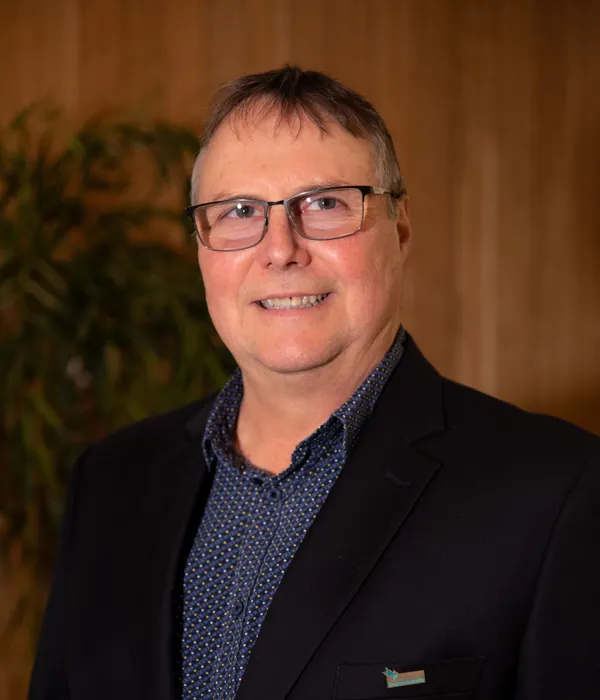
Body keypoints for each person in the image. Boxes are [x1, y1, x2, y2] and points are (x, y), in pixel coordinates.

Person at [29, 66, 600, 700]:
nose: (280, 249)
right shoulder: (111, 483)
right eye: (239, 211)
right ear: (201, 249)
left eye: (324, 204)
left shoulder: (558, 493)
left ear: (400, 230)